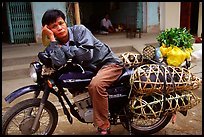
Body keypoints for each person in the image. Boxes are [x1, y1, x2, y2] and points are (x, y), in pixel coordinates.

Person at [41, 9, 123, 135]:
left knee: (96, 85)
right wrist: (52, 39)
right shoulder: (55, 42)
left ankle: (104, 127)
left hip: (107, 63)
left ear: (65, 22)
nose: (60, 28)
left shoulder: (80, 30)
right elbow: (59, 61)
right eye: (54, 27)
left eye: (61, 23)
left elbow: (86, 54)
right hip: (91, 68)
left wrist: (64, 48)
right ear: (49, 30)